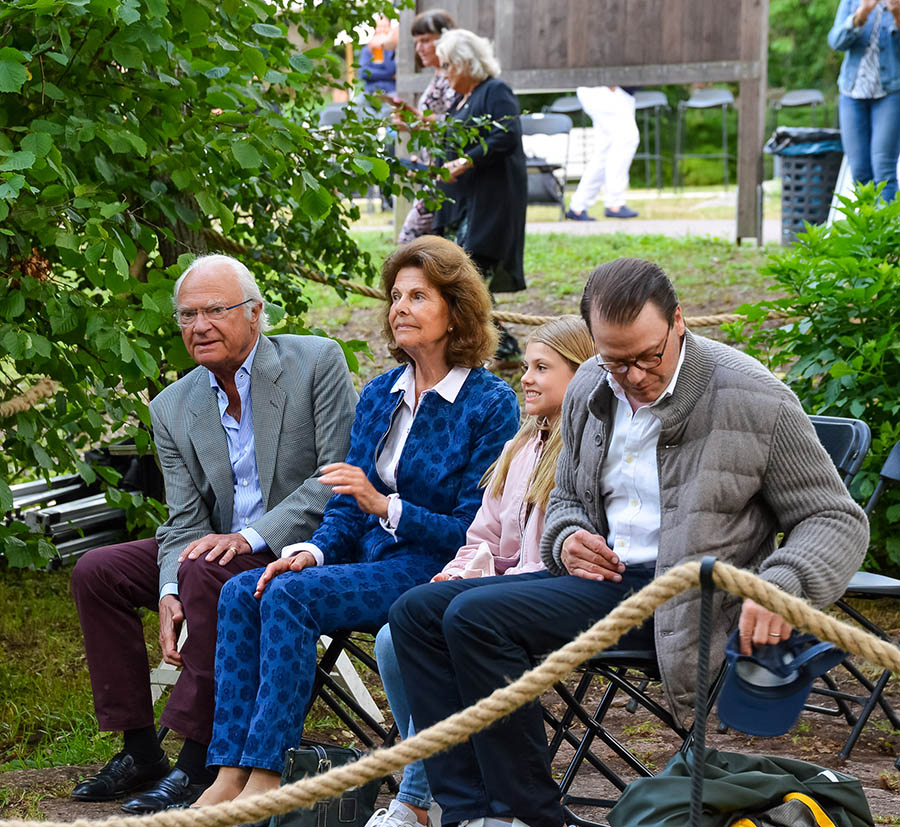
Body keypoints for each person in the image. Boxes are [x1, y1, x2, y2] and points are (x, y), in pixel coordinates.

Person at [390, 257, 870, 827]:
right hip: (603, 581)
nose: (635, 376)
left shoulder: (754, 397)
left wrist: (780, 588)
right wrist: (567, 539)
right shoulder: (592, 384)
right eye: (617, 361)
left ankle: (530, 816)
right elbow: (566, 499)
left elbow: (835, 518)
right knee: (415, 612)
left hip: (691, 597)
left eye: (649, 357)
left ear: (679, 323)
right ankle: (470, 814)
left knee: (474, 617)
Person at [192, 235, 521, 809]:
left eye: (418, 296)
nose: (400, 308)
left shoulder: (489, 403)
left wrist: (386, 507)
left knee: (289, 599)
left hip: (435, 569)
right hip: (369, 561)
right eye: (395, 296)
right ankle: (228, 771)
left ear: (456, 311)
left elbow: (475, 531)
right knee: (246, 589)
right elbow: (345, 501)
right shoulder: (379, 395)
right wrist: (313, 552)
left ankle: (269, 778)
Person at [70, 255, 358, 812]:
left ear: (255, 314)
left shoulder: (315, 361)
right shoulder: (172, 406)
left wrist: (251, 538)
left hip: (299, 547)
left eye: (215, 311)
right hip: (214, 550)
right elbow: (183, 520)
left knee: (207, 566)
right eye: (186, 315)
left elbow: (336, 477)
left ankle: (198, 757)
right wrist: (167, 589)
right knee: (97, 571)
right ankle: (139, 749)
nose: (198, 326)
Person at [367, 316, 594, 827]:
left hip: (550, 598)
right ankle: (452, 796)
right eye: (527, 367)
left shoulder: (581, 453)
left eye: (542, 368)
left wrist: (475, 589)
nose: (527, 378)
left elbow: (548, 562)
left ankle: (426, 796)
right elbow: (484, 537)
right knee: (393, 636)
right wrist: (457, 574)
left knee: (455, 626)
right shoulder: (519, 447)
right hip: (496, 591)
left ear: (581, 376)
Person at [433, 28, 528, 360]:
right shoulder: (464, 99)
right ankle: (506, 349)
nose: (443, 74)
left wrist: (467, 159)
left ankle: (481, 354)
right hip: (466, 205)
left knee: (469, 280)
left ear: (465, 63)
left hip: (493, 203)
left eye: (447, 66)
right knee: (466, 282)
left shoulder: (495, 90)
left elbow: (507, 135)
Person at [395, 9, 459, 244]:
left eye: (425, 40)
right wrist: (410, 125)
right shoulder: (437, 74)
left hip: (445, 174)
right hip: (430, 172)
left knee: (409, 244)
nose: (419, 48)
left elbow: (459, 122)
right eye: (416, 42)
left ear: (444, 39)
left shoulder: (454, 75)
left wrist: (420, 119)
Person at [828, 0, 900, 201]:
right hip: (852, 92)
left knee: (884, 170)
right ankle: (867, 231)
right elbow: (835, 41)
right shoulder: (851, 2)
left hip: (891, 93)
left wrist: (898, 16)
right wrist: (861, 15)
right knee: (859, 172)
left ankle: (887, 232)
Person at [565, 86, 640, 221]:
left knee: (603, 152)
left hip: (612, 92)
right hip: (603, 90)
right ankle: (614, 203)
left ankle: (578, 206)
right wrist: (611, 86)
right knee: (627, 139)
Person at [359, 15, 399, 95]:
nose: (382, 30)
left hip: (390, 90)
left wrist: (384, 47)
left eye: (385, 27)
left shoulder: (393, 48)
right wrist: (389, 76)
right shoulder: (367, 50)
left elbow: (392, 70)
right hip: (370, 91)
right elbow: (363, 73)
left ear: (390, 28)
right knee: (357, 104)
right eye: (379, 27)